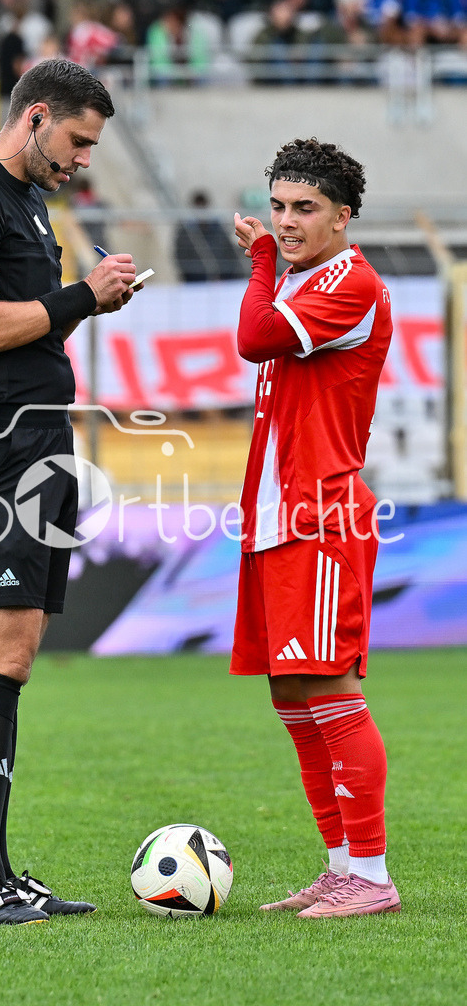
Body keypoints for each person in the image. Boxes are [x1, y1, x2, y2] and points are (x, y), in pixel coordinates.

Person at [0, 58, 139, 926]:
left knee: (16, 658)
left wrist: (80, 303)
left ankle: (1, 873)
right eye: (78, 140)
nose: (82, 158)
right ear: (36, 115)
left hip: (38, 443)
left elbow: (24, 319)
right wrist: (84, 294)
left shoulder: (27, 202)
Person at [230, 138, 400, 918]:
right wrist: (274, 265)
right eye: (278, 207)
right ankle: (340, 867)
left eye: (304, 209)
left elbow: (254, 338)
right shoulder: (304, 282)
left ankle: (370, 873)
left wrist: (263, 260)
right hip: (273, 518)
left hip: (321, 513)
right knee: (294, 696)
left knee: (331, 686)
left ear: (343, 215)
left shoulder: (351, 282)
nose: (287, 221)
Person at [175, 190, 244, 282]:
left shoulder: (218, 229)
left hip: (223, 278)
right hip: (196, 279)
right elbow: (182, 257)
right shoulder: (186, 232)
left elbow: (229, 252)